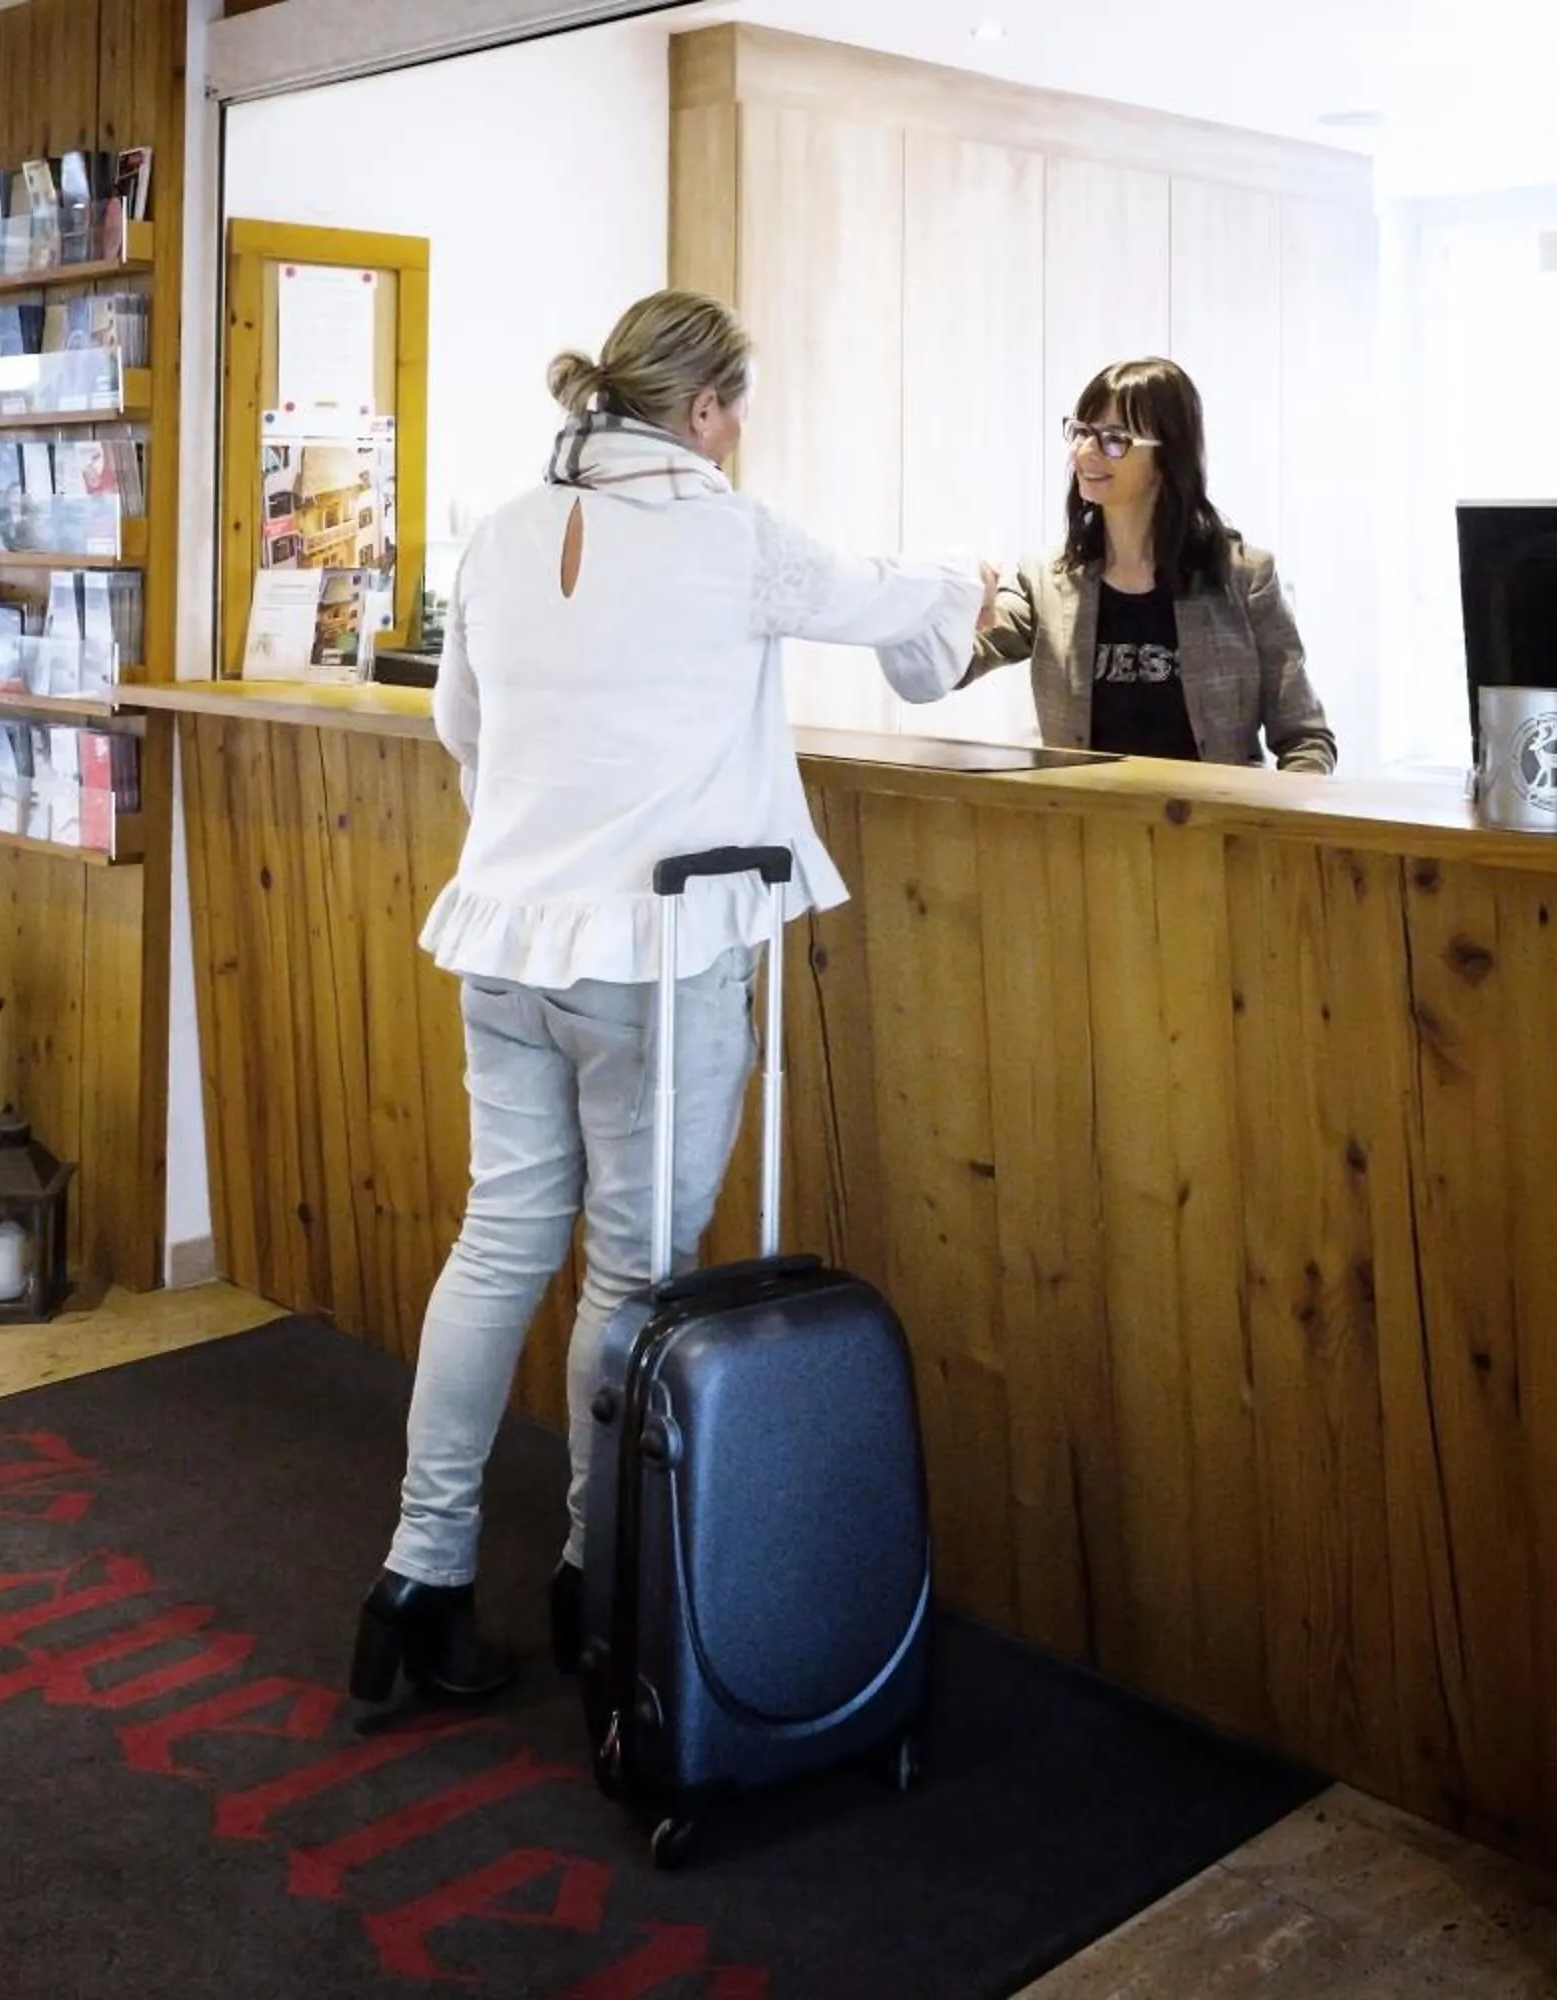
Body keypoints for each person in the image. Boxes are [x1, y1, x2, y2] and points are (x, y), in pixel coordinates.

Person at [352, 289, 990, 1703]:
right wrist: (978, 580)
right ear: (704, 411)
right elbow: (905, 606)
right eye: (739, 409)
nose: (742, 435)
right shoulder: (732, 534)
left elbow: (463, 726)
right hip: (656, 953)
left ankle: (421, 1575)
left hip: (509, 940)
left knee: (497, 1246)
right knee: (631, 1277)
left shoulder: (506, 531)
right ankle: (599, 1572)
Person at [968, 357, 1338, 772]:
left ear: (1168, 456)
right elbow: (962, 659)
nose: (1084, 452)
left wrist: (1265, 831)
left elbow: (1306, 738)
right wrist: (954, 596)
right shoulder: (1043, 578)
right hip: (1084, 829)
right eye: (1080, 432)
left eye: (1113, 439)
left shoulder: (1244, 578)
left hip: (1211, 830)